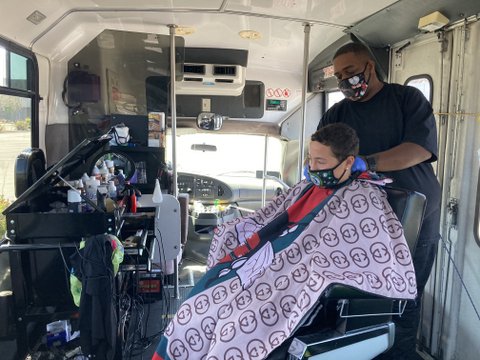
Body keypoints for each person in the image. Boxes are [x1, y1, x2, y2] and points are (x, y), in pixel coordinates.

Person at [153, 124, 417, 360]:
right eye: (309, 159)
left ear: (348, 162)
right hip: (266, 269)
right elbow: (272, 219)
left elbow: (363, 252)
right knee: (195, 310)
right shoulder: (308, 186)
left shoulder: (363, 197)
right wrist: (237, 230)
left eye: (320, 161)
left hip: (295, 280)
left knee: (235, 329)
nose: (311, 167)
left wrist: (307, 263)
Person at [317, 42, 441, 359]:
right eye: (339, 76)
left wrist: (366, 163)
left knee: (405, 298)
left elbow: (419, 149)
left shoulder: (406, 99)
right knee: (360, 299)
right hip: (358, 225)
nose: (345, 80)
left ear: (370, 68)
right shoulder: (337, 114)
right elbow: (321, 155)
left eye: (351, 72)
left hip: (413, 222)